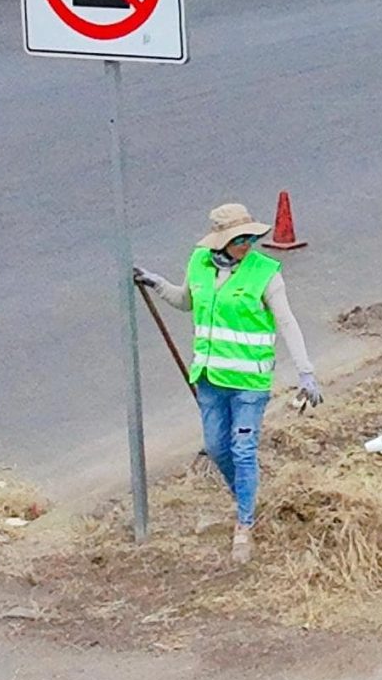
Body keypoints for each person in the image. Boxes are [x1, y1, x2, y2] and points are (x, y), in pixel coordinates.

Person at [135, 203, 321, 566]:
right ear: (221, 242)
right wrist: (156, 283)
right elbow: (185, 301)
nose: (247, 244)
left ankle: (245, 524)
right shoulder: (200, 264)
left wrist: (306, 372)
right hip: (209, 379)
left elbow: (287, 322)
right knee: (216, 447)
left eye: (251, 237)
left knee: (243, 449)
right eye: (240, 239)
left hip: (250, 383)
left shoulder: (265, 273)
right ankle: (246, 498)